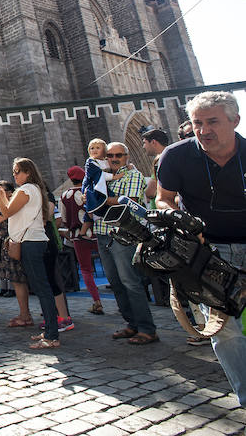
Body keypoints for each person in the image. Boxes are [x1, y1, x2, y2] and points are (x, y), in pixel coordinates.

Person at [157, 91, 246, 404]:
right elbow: (163, 198)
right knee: (226, 331)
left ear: (235, 120)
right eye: (197, 123)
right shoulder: (176, 155)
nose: (203, 129)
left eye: (212, 122)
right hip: (209, 253)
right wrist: (175, 218)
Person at [93, 142, 158, 345]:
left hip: (124, 235)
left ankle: (147, 329)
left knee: (130, 282)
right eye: (110, 155)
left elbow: (126, 200)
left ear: (127, 156)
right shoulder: (102, 175)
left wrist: (97, 198)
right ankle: (132, 324)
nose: (114, 158)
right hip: (103, 233)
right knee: (116, 283)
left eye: (118, 155)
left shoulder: (133, 175)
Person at [0, 158, 60, 350]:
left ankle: (52, 335)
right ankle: (49, 331)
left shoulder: (26, 190)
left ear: (28, 172)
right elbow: (12, 210)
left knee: (42, 288)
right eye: (14, 172)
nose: (15, 175)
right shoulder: (34, 190)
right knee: (40, 287)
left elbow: (5, 212)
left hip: (31, 241)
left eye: (18, 171)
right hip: (32, 241)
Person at [61, 166, 102, 314]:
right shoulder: (91, 191)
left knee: (85, 269)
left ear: (71, 179)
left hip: (78, 236)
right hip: (97, 233)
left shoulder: (65, 195)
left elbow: (64, 220)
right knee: (109, 265)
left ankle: (97, 302)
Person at [141, 128, 171, 306]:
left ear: (153, 142)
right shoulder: (175, 155)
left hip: (161, 217)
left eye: (144, 143)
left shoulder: (161, 160)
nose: (142, 147)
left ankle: (169, 297)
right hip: (168, 215)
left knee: (162, 259)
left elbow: (151, 192)